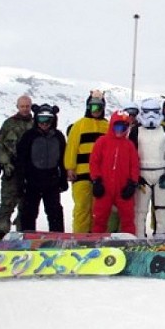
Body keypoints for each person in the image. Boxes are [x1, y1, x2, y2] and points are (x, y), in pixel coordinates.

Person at [16, 104, 67, 232]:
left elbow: (63, 160)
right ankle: (27, 236)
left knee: (55, 211)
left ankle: (57, 237)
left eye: (48, 120)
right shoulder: (29, 136)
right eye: (41, 120)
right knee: (29, 212)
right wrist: (20, 181)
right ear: (36, 119)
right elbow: (20, 160)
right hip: (32, 181)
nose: (44, 123)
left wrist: (63, 179)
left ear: (53, 120)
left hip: (52, 181)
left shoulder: (58, 136)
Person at [64, 90, 109, 232]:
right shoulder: (79, 125)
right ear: (88, 107)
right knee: (82, 207)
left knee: (98, 209)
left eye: (99, 107)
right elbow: (71, 147)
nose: (96, 111)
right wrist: (70, 167)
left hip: (100, 176)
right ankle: (80, 236)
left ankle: (95, 236)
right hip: (81, 174)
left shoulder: (106, 126)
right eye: (93, 107)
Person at [90, 111, 140, 234]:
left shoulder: (129, 145)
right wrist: (96, 180)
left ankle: (129, 242)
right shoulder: (102, 142)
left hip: (123, 188)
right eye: (117, 126)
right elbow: (94, 162)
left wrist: (132, 184)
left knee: (128, 218)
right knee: (99, 218)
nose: (120, 130)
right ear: (112, 125)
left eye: (124, 127)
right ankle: (97, 240)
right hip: (104, 187)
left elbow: (134, 165)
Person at [132, 98, 165, 238]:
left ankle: (161, 233)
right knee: (140, 209)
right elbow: (131, 156)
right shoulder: (136, 131)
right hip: (142, 174)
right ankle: (139, 234)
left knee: (162, 207)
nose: (151, 116)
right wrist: (134, 176)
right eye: (147, 112)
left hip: (161, 173)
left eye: (154, 112)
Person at [0, 95, 34, 238]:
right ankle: (1, 233)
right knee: (7, 203)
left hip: (29, 172)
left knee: (26, 206)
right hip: (12, 170)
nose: (25, 109)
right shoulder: (9, 124)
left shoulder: (36, 124)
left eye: (27, 106)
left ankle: (22, 234)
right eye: (22, 106)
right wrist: (5, 164)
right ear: (17, 107)